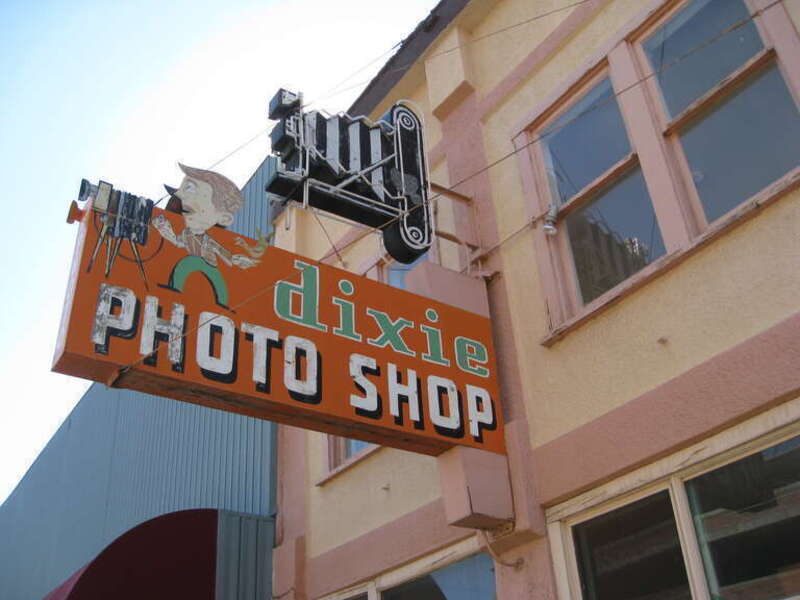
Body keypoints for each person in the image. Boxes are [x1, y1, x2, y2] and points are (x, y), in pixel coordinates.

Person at [152, 164, 258, 308]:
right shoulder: (186, 232)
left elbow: (221, 251)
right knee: (183, 269)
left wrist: (236, 259)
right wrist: (165, 228)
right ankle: (176, 289)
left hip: (208, 268)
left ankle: (220, 303)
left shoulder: (210, 237)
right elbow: (177, 241)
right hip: (186, 265)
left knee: (216, 284)